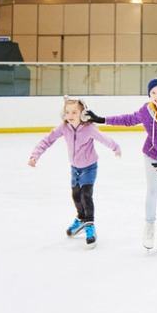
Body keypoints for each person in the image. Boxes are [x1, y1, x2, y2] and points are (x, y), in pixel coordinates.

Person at [94, 78, 157, 254]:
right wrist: (102, 119)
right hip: (151, 154)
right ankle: (149, 226)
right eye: (153, 93)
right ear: (149, 95)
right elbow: (128, 119)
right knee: (152, 191)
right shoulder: (147, 110)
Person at [28, 97, 121, 247]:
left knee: (86, 194)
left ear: (82, 113)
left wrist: (115, 147)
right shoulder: (64, 127)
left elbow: (104, 138)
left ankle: (90, 224)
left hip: (89, 167)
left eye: (74, 112)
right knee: (76, 195)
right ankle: (81, 219)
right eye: (67, 112)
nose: (70, 115)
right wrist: (35, 155)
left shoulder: (89, 128)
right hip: (75, 168)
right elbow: (47, 140)